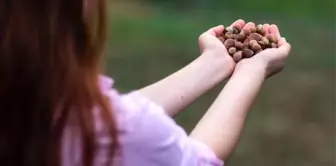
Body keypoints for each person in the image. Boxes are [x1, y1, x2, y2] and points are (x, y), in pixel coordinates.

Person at [0, 1, 291, 166]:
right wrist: (250, 72)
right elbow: (196, 160)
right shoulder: (115, 134)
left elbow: (109, 118)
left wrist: (213, 64)